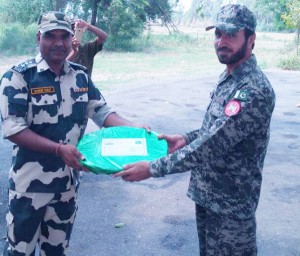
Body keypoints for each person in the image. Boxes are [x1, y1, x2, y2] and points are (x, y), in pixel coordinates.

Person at [114, 4, 276, 256]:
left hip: (232, 208)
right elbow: (215, 129)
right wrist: (184, 138)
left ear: (251, 39)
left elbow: (213, 144)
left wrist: (153, 168)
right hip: (210, 197)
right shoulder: (230, 77)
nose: (221, 41)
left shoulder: (253, 89)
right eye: (218, 34)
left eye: (231, 35)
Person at [0, 11, 148, 256]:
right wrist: (58, 149)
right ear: (39, 38)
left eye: (64, 36)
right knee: (19, 252)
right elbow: (14, 129)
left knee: (56, 250)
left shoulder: (80, 75)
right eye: (51, 36)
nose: (58, 42)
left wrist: (133, 128)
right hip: (29, 189)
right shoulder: (18, 77)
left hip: (66, 187)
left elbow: (101, 111)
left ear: (72, 39)